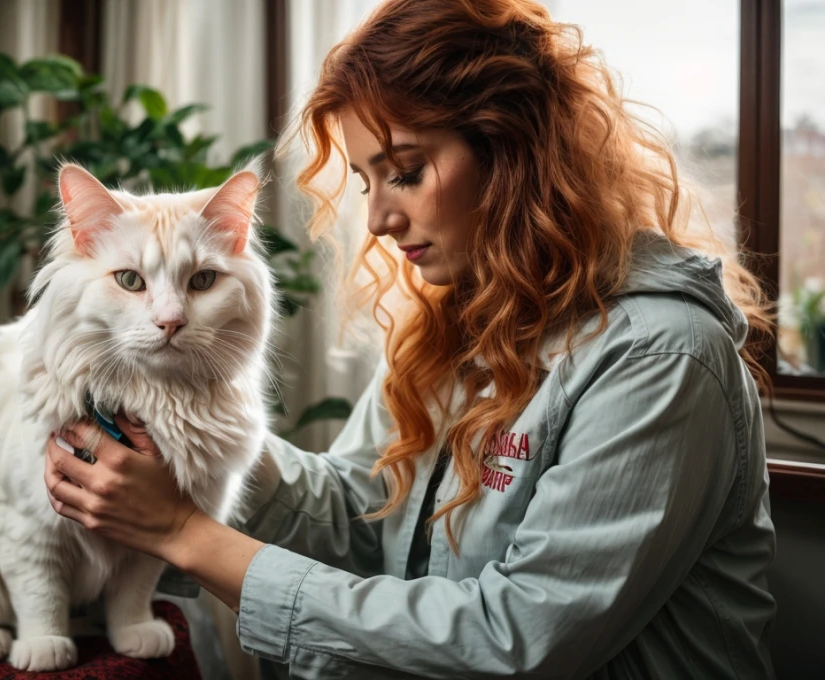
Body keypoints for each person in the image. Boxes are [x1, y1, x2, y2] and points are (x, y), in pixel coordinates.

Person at [44, 0, 777, 677]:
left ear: (513, 150)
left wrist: (185, 533)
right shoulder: (455, 330)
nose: (378, 221)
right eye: (368, 183)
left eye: (405, 172)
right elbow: (362, 516)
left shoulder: (659, 358)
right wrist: (194, 446)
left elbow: (515, 640)